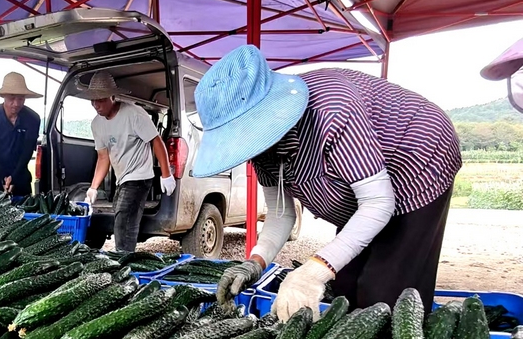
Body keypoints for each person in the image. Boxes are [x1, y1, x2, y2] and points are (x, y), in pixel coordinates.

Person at [193, 45, 462, 320]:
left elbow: (378, 203)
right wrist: (254, 262)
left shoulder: (332, 110)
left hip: (418, 159)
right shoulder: (259, 150)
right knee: (344, 287)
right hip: (362, 192)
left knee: (383, 296)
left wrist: (312, 273)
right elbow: (280, 215)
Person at [79, 71, 176, 252]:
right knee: (122, 216)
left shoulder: (134, 114)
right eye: (93, 100)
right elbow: (103, 157)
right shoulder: (96, 124)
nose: (96, 105)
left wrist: (166, 174)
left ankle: (123, 261)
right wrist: (93, 188)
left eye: (100, 100)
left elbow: (156, 141)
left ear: (112, 97)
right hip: (122, 179)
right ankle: (126, 257)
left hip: (140, 176)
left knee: (123, 217)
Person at [0, 72, 42, 197]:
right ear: (3, 96)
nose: (16, 103)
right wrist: (3, 179)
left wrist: (14, 177)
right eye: (12, 98)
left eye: (20, 99)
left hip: (21, 174)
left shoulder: (33, 118)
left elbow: (27, 152)